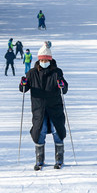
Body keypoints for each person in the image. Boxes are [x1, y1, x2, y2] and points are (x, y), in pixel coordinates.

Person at [19, 41, 68, 170]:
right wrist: (23, 83)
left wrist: (61, 84)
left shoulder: (57, 72)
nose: (44, 62)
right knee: (39, 131)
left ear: (50, 60)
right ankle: (39, 159)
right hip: (39, 109)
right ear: (39, 60)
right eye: (42, 59)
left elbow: (65, 89)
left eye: (47, 60)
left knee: (57, 130)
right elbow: (23, 89)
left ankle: (59, 158)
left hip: (54, 108)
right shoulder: (32, 73)